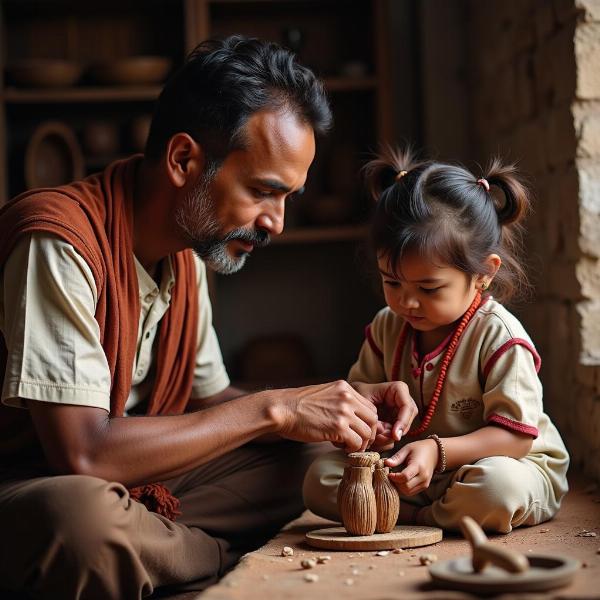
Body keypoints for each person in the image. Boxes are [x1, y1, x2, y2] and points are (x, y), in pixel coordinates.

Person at [0, 37, 417, 598]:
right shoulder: (58, 242)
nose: (277, 223)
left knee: (317, 456)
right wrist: (277, 407)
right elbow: (84, 453)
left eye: (289, 197)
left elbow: (210, 403)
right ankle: (218, 558)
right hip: (38, 486)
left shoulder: (186, 253)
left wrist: (327, 403)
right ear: (183, 160)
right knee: (81, 523)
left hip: (143, 484)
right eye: (263, 191)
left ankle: (157, 556)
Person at [303, 147, 570, 533]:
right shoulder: (386, 327)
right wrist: (371, 421)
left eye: (429, 288)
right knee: (319, 478)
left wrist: (437, 451)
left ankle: (414, 519)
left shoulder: (499, 336)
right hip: (412, 475)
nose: (406, 301)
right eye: (392, 282)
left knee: (497, 488)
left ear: (483, 273)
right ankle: (426, 516)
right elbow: (358, 394)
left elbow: (514, 438)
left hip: (498, 465)